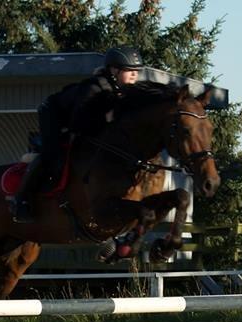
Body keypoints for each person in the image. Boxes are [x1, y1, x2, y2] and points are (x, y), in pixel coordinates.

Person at [11, 46, 144, 223]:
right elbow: (79, 124)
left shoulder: (122, 91)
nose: (134, 75)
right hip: (54, 115)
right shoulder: (94, 89)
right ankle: (21, 200)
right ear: (114, 70)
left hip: (79, 119)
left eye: (136, 71)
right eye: (129, 70)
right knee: (53, 154)